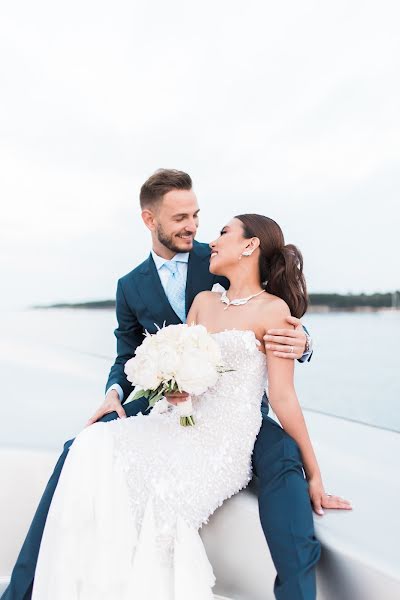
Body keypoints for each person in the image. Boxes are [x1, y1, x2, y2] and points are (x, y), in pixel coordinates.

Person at [2, 170, 351, 600]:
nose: (194, 226)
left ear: (247, 245)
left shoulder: (219, 260)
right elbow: (126, 353)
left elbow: (281, 349)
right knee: (80, 449)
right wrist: (116, 392)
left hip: (243, 418)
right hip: (177, 406)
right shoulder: (133, 286)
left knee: (286, 469)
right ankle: (25, 589)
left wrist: (305, 342)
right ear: (150, 220)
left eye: (197, 215)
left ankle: (296, 591)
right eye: (181, 217)